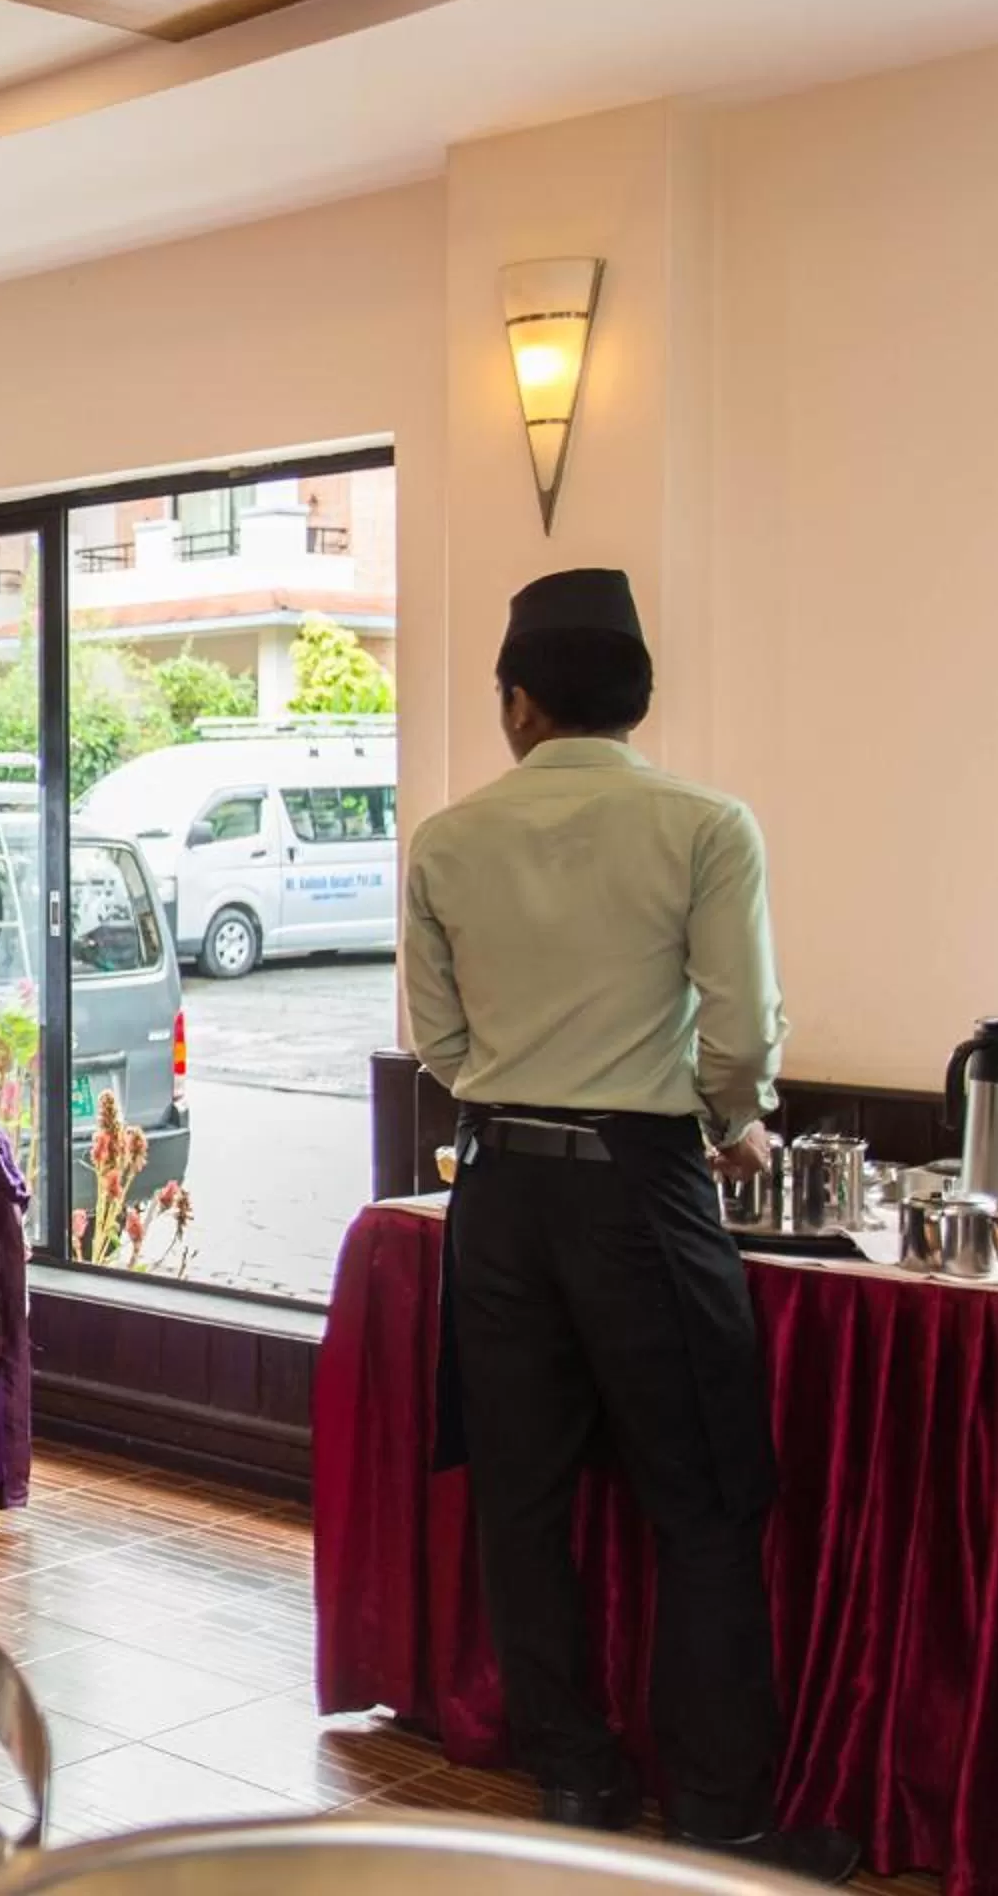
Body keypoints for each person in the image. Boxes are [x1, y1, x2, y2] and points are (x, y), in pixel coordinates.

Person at [403, 568, 855, 1881]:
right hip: (641, 1191)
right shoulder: (707, 825)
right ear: (634, 699)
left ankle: (580, 1780)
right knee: (704, 1503)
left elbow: (438, 1038)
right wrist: (738, 1116)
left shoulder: (447, 839)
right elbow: (743, 1031)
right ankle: (720, 1815)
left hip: (494, 1198)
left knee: (525, 1500)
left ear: (520, 702)